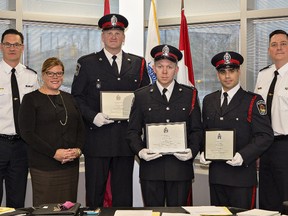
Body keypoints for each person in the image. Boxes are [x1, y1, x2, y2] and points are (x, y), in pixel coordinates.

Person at [71, 13, 150, 208]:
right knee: (95, 194)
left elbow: (145, 98)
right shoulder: (87, 63)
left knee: (123, 195)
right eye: (109, 33)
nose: (113, 36)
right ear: (102, 36)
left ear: (124, 37)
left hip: (125, 141)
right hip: (97, 139)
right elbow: (76, 97)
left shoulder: (138, 64)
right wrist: (93, 116)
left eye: (117, 32)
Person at [126, 44, 203, 207]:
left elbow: (197, 129)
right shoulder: (142, 95)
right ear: (153, 68)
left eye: (169, 67)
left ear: (176, 69)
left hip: (180, 169)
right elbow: (132, 131)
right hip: (151, 169)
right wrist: (140, 151)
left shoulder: (190, 95)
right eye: (160, 66)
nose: (165, 71)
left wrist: (192, 150)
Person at [200, 51, 274, 209]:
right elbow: (204, 131)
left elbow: (265, 135)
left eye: (232, 71)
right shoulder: (208, 100)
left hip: (242, 176)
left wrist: (243, 155)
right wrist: (203, 151)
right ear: (217, 74)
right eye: (222, 72)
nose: (227, 76)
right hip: (217, 175)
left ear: (239, 71)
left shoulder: (253, 100)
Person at [18, 57, 85, 206]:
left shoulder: (70, 98)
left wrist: (78, 150)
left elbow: (81, 128)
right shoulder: (30, 99)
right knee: (46, 209)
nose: (55, 77)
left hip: (70, 166)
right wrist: (54, 153)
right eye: (51, 73)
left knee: (68, 209)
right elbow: (27, 133)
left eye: (59, 73)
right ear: (43, 75)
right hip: (44, 167)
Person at [0, 29, 39, 208]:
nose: (12, 48)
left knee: (17, 200)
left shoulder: (31, 76)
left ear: (22, 47)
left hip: (21, 147)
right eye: (8, 44)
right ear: (1, 47)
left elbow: (38, 111)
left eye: (16, 44)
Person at [254, 29, 288, 212]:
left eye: (283, 43)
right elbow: (257, 113)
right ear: (269, 50)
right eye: (274, 45)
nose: (279, 48)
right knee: (267, 200)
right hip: (265, 145)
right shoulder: (263, 75)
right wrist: (257, 149)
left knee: (286, 199)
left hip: (286, 145)